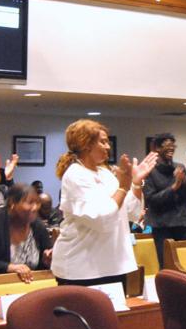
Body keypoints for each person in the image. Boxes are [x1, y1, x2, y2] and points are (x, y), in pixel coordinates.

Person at [50, 119, 157, 288]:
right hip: (82, 267)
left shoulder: (105, 173)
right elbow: (101, 219)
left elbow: (130, 211)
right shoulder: (75, 175)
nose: (108, 146)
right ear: (86, 144)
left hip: (112, 263)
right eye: (103, 142)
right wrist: (123, 187)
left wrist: (135, 183)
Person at [143, 133, 186, 265]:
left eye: (173, 147)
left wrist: (183, 183)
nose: (171, 150)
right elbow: (151, 200)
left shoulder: (179, 167)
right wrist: (173, 187)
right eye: (167, 147)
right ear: (157, 149)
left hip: (182, 223)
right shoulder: (150, 170)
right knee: (167, 263)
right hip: (162, 225)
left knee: (185, 263)